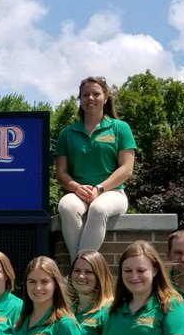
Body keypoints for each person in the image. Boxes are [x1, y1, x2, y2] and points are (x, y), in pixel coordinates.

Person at [54, 76, 137, 261]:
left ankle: (79, 267)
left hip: (112, 192)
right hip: (79, 193)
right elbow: (61, 173)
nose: (90, 98)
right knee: (66, 206)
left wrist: (100, 188)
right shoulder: (67, 133)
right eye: (85, 95)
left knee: (98, 209)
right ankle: (83, 268)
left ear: (105, 97)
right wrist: (76, 187)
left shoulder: (120, 128)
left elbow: (126, 168)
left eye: (96, 94)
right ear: (80, 99)